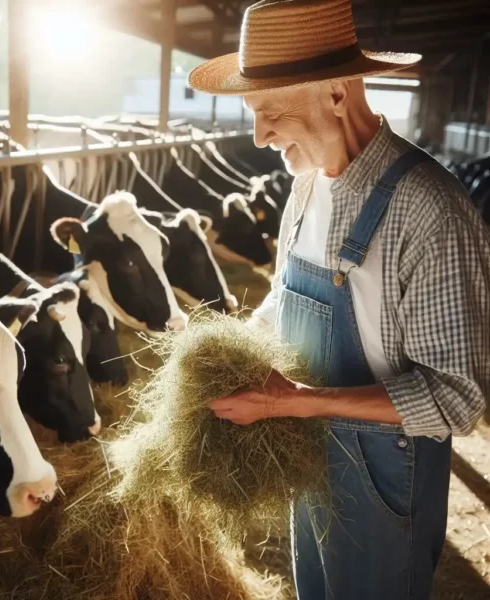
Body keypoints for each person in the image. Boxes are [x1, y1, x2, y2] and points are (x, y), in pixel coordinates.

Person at [187, 1, 490, 598]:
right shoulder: (303, 188)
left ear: (335, 94)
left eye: (270, 111)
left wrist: (298, 402)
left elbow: (461, 400)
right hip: (311, 461)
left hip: (385, 478)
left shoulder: (428, 209)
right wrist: (233, 349)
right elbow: (282, 298)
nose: (260, 135)